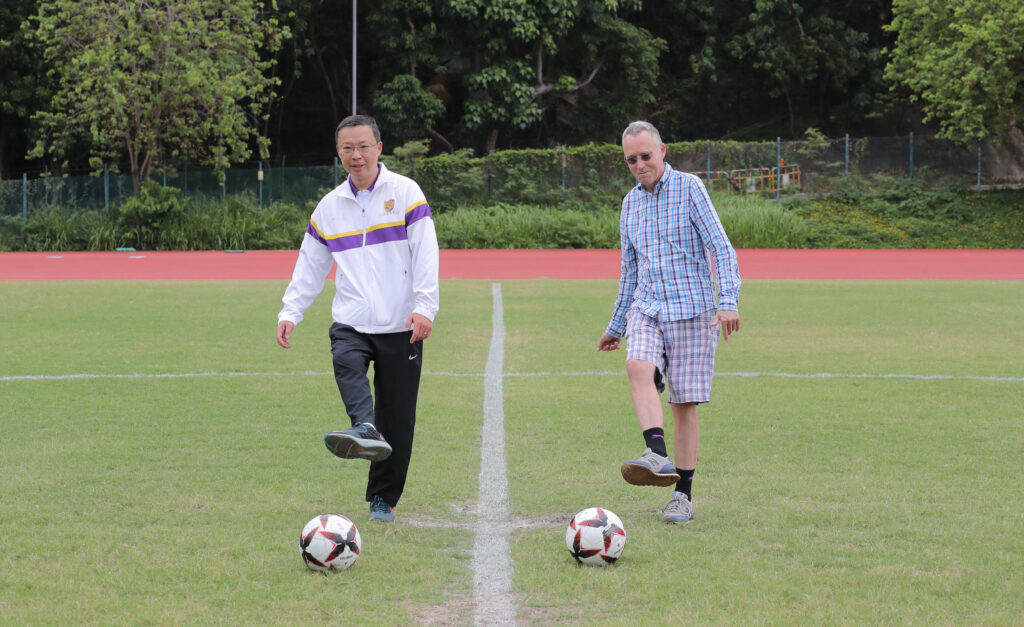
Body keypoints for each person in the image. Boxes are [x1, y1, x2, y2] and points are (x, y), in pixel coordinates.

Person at [276, 114, 439, 523]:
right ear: (339, 153)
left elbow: (426, 253)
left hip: (401, 324)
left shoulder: (406, 193)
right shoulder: (330, 207)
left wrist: (425, 306)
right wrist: (290, 311)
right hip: (351, 319)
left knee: (398, 419)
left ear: (379, 148)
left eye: (364, 146)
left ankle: (383, 499)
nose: (356, 155)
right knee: (345, 360)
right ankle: (363, 426)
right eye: (347, 148)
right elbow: (310, 265)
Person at [598, 120, 741, 524]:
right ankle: (655, 454)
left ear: (663, 150)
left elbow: (722, 249)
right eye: (631, 159)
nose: (639, 164)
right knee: (636, 365)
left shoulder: (690, 188)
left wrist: (727, 302)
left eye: (646, 155)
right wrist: (616, 325)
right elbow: (630, 271)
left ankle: (682, 495)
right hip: (647, 307)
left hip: (693, 311)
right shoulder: (630, 204)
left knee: (683, 405)